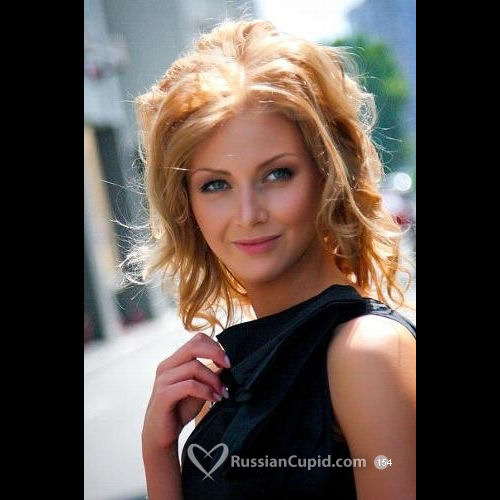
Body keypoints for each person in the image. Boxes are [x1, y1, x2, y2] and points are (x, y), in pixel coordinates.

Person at [127, 19, 416, 500]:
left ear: (327, 174)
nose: (248, 214)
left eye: (277, 174)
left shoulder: (364, 354)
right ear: (187, 205)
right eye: (215, 184)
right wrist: (158, 454)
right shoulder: (230, 376)